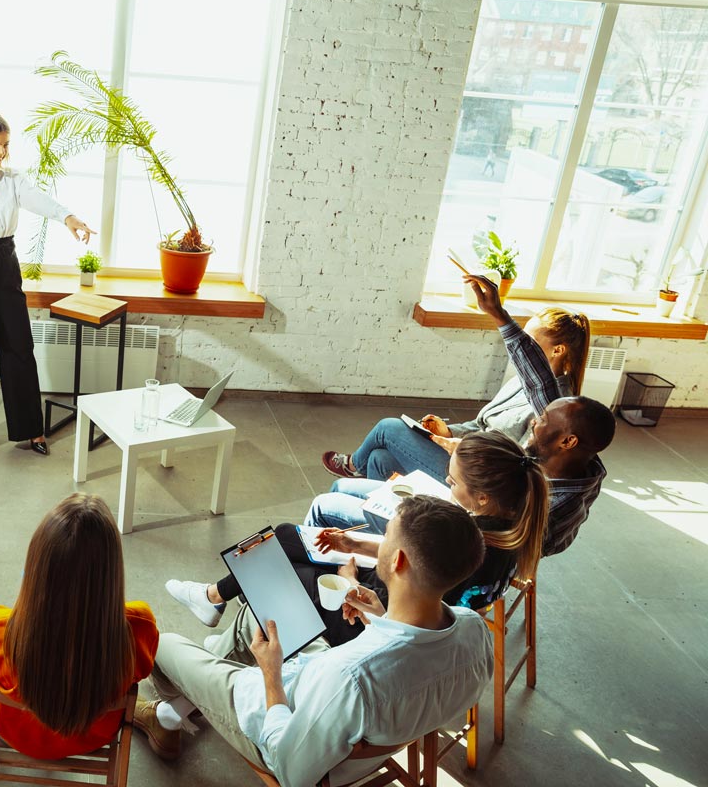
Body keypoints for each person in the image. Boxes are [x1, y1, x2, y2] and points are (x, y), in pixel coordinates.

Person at [134, 497, 494, 787]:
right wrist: (379, 617)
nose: (381, 546)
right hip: (344, 702)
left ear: (397, 560)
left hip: (283, 724)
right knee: (264, 611)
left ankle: (169, 712)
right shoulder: (474, 630)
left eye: (387, 538)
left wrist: (272, 675)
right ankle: (185, 698)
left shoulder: (350, 677)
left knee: (161, 642)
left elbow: (290, 769)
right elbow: (413, 667)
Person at [166, 433, 547, 644]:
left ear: (482, 497)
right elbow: (415, 560)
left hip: (367, 621)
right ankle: (214, 600)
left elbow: (396, 614)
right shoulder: (502, 534)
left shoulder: (470, 542)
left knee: (269, 567)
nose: (448, 485)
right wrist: (353, 545)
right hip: (386, 599)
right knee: (285, 538)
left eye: (452, 482)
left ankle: (231, 627)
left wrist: (350, 580)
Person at [0, 110, 95, 456]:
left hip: (6, 266)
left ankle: (30, 429)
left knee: (19, 350)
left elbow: (40, 200)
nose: (1, 152)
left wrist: (68, 217)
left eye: (6, 145)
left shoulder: (13, 180)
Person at [0, 493, 158, 759]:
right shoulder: (140, 627)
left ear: (36, 565)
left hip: (15, 735)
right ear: (112, 571)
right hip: (93, 737)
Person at [321, 307, 590, 483]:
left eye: (529, 340)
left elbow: (520, 463)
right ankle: (377, 522)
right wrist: (448, 432)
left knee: (388, 429)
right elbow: (480, 425)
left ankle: (353, 465)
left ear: (558, 351)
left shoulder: (555, 409)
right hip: (462, 452)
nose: (521, 347)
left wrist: (459, 448)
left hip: (475, 474)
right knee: (380, 459)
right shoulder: (519, 381)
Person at [463, 274, 614, 555]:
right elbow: (538, 382)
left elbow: (504, 548)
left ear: (567, 441)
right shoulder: (558, 455)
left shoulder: (555, 503)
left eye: (542, 420)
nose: (535, 421)